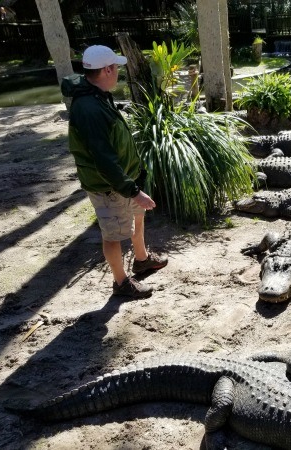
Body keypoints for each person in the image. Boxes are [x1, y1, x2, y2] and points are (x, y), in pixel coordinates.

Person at [61, 45, 167, 299]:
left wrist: (134, 185)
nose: (118, 72)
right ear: (107, 69)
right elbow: (103, 160)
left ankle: (141, 259)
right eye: (116, 68)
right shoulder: (89, 109)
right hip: (108, 185)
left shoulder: (97, 92)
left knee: (136, 217)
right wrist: (133, 191)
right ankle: (121, 283)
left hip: (126, 178)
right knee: (113, 234)